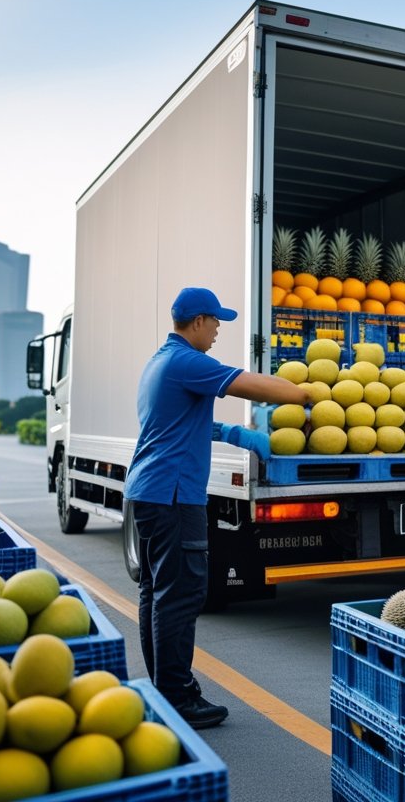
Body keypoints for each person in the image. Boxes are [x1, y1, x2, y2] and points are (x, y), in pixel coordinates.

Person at [124, 287, 310, 728]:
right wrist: (304, 395)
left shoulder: (161, 362)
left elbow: (183, 423)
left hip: (148, 493)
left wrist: (236, 435)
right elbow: (248, 383)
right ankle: (178, 697)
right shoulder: (190, 361)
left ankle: (165, 689)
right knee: (181, 595)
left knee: (157, 593)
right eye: (215, 322)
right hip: (172, 497)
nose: (218, 330)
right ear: (197, 322)